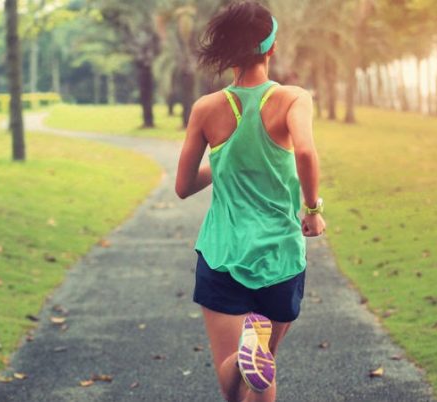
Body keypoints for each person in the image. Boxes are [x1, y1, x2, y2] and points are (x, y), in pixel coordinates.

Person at [175, 2, 325, 401]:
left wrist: (222, 165)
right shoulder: (293, 99)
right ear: (271, 49)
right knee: (265, 366)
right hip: (280, 257)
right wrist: (312, 211)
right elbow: (306, 153)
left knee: (239, 378)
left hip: (223, 254)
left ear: (228, 52)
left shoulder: (206, 109)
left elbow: (184, 185)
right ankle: (251, 356)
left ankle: (244, 358)